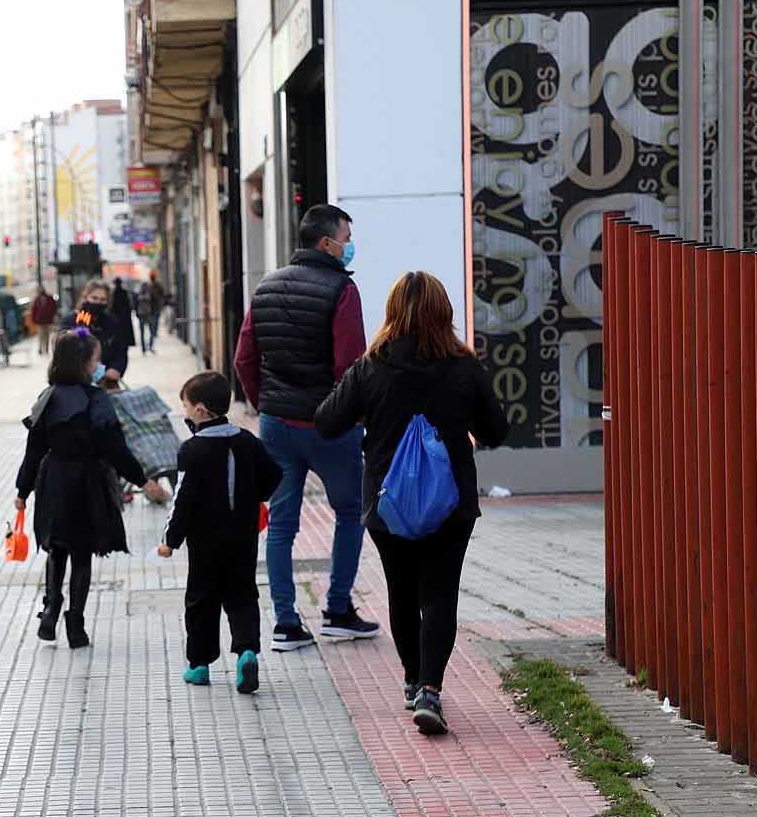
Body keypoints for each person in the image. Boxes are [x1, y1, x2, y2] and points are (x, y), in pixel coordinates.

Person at [315, 270, 509, 735]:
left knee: (402, 592)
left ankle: (409, 680)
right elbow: (495, 432)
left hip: (388, 502)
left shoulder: (371, 366)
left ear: (392, 312)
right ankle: (431, 688)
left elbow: (326, 423)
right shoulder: (464, 366)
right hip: (451, 503)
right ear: (445, 313)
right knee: (440, 592)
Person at [234, 203, 379, 652]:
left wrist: (266, 406)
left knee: (281, 524)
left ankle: (285, 623)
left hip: (277, 426)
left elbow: (244, 359)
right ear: (325, 242)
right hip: (328, 426)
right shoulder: (342, 291)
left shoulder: (265, 288)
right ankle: (337, 610)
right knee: (351, 512)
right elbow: (350, 366)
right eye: (346, 237)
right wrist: (352, 416)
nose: (350, 246)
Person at [16, 328, 165, 650]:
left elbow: (33, 451)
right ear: (84, 362)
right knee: (81, 554)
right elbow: (115, 449)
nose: (99, 366)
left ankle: (51, 608)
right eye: (96, 360)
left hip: (53, 479)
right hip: (88, 481)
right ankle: (76, 626)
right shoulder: (97, 400)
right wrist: (142, 479)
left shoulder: (48, 397)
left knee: (56, 549)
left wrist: (22, 491)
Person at [158, 372, 283, 694]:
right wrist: (254, 495)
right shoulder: (247, 441)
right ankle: (246, 653)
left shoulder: (192, 450)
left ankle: (199, 665)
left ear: (200, 410)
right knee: (243, 595)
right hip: (243, 537)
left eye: (186, 405)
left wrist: (170, 541)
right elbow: (274, 473)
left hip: (205, 542)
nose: (184, 411)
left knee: (201, 599)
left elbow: (182, 499)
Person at [63, 279, 129, 388]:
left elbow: (121, 350)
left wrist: (117, 368)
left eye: (103, 299)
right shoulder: (72, 320)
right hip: (76, 382)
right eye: (94, 298)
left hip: (106, 380)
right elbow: (63, 349)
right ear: (86, 297)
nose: (98, 302)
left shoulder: (113, 323)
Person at [110, 277, 137, 354]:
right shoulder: (124, 292)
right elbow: (129, 305)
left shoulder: (113, 293)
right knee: (125, 334)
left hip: (117, 317)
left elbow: (111, 306)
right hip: (124, 317)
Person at [30, 286, 57, 356]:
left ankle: (46, 349)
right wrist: (33, 319)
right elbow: (33, 310)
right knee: (41, 334)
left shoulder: (49, 298)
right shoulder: (37, 299)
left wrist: (52, 316)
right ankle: (41, 348)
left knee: (47, 335)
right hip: (39, 320)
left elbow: (54, 308)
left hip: (48, 320)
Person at [136, 283, 156, 354]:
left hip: (145, 314)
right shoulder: (149, 294)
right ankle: (147, 347)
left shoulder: (139, 294)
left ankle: (145, 347)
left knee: (144, 332)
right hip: (147, 314)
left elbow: (136, 304)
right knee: (149, 332)